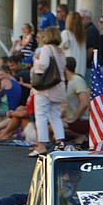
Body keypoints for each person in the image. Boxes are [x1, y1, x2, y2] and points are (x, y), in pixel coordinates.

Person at [31, 26, 67, 157]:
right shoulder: (61, 51)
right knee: (55, 116)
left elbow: (43, 66)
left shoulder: (46, 49)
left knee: (41, 116)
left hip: (45, 88)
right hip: (58, 86)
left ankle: (42, 145)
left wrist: (35, 60)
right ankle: (60, 143)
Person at [62, 56, 90, 145]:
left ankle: (79, 136)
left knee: (53, 126)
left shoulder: (77, 81)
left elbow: (84, 102)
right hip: (72, 118)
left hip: (81, 120)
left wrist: (74, 118)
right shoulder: (68, 82)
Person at [60, 12, 87, 78]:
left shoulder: (66, 33)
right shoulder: (82, 36)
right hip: (81, 70)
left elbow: (59, 49)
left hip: (69, 69)